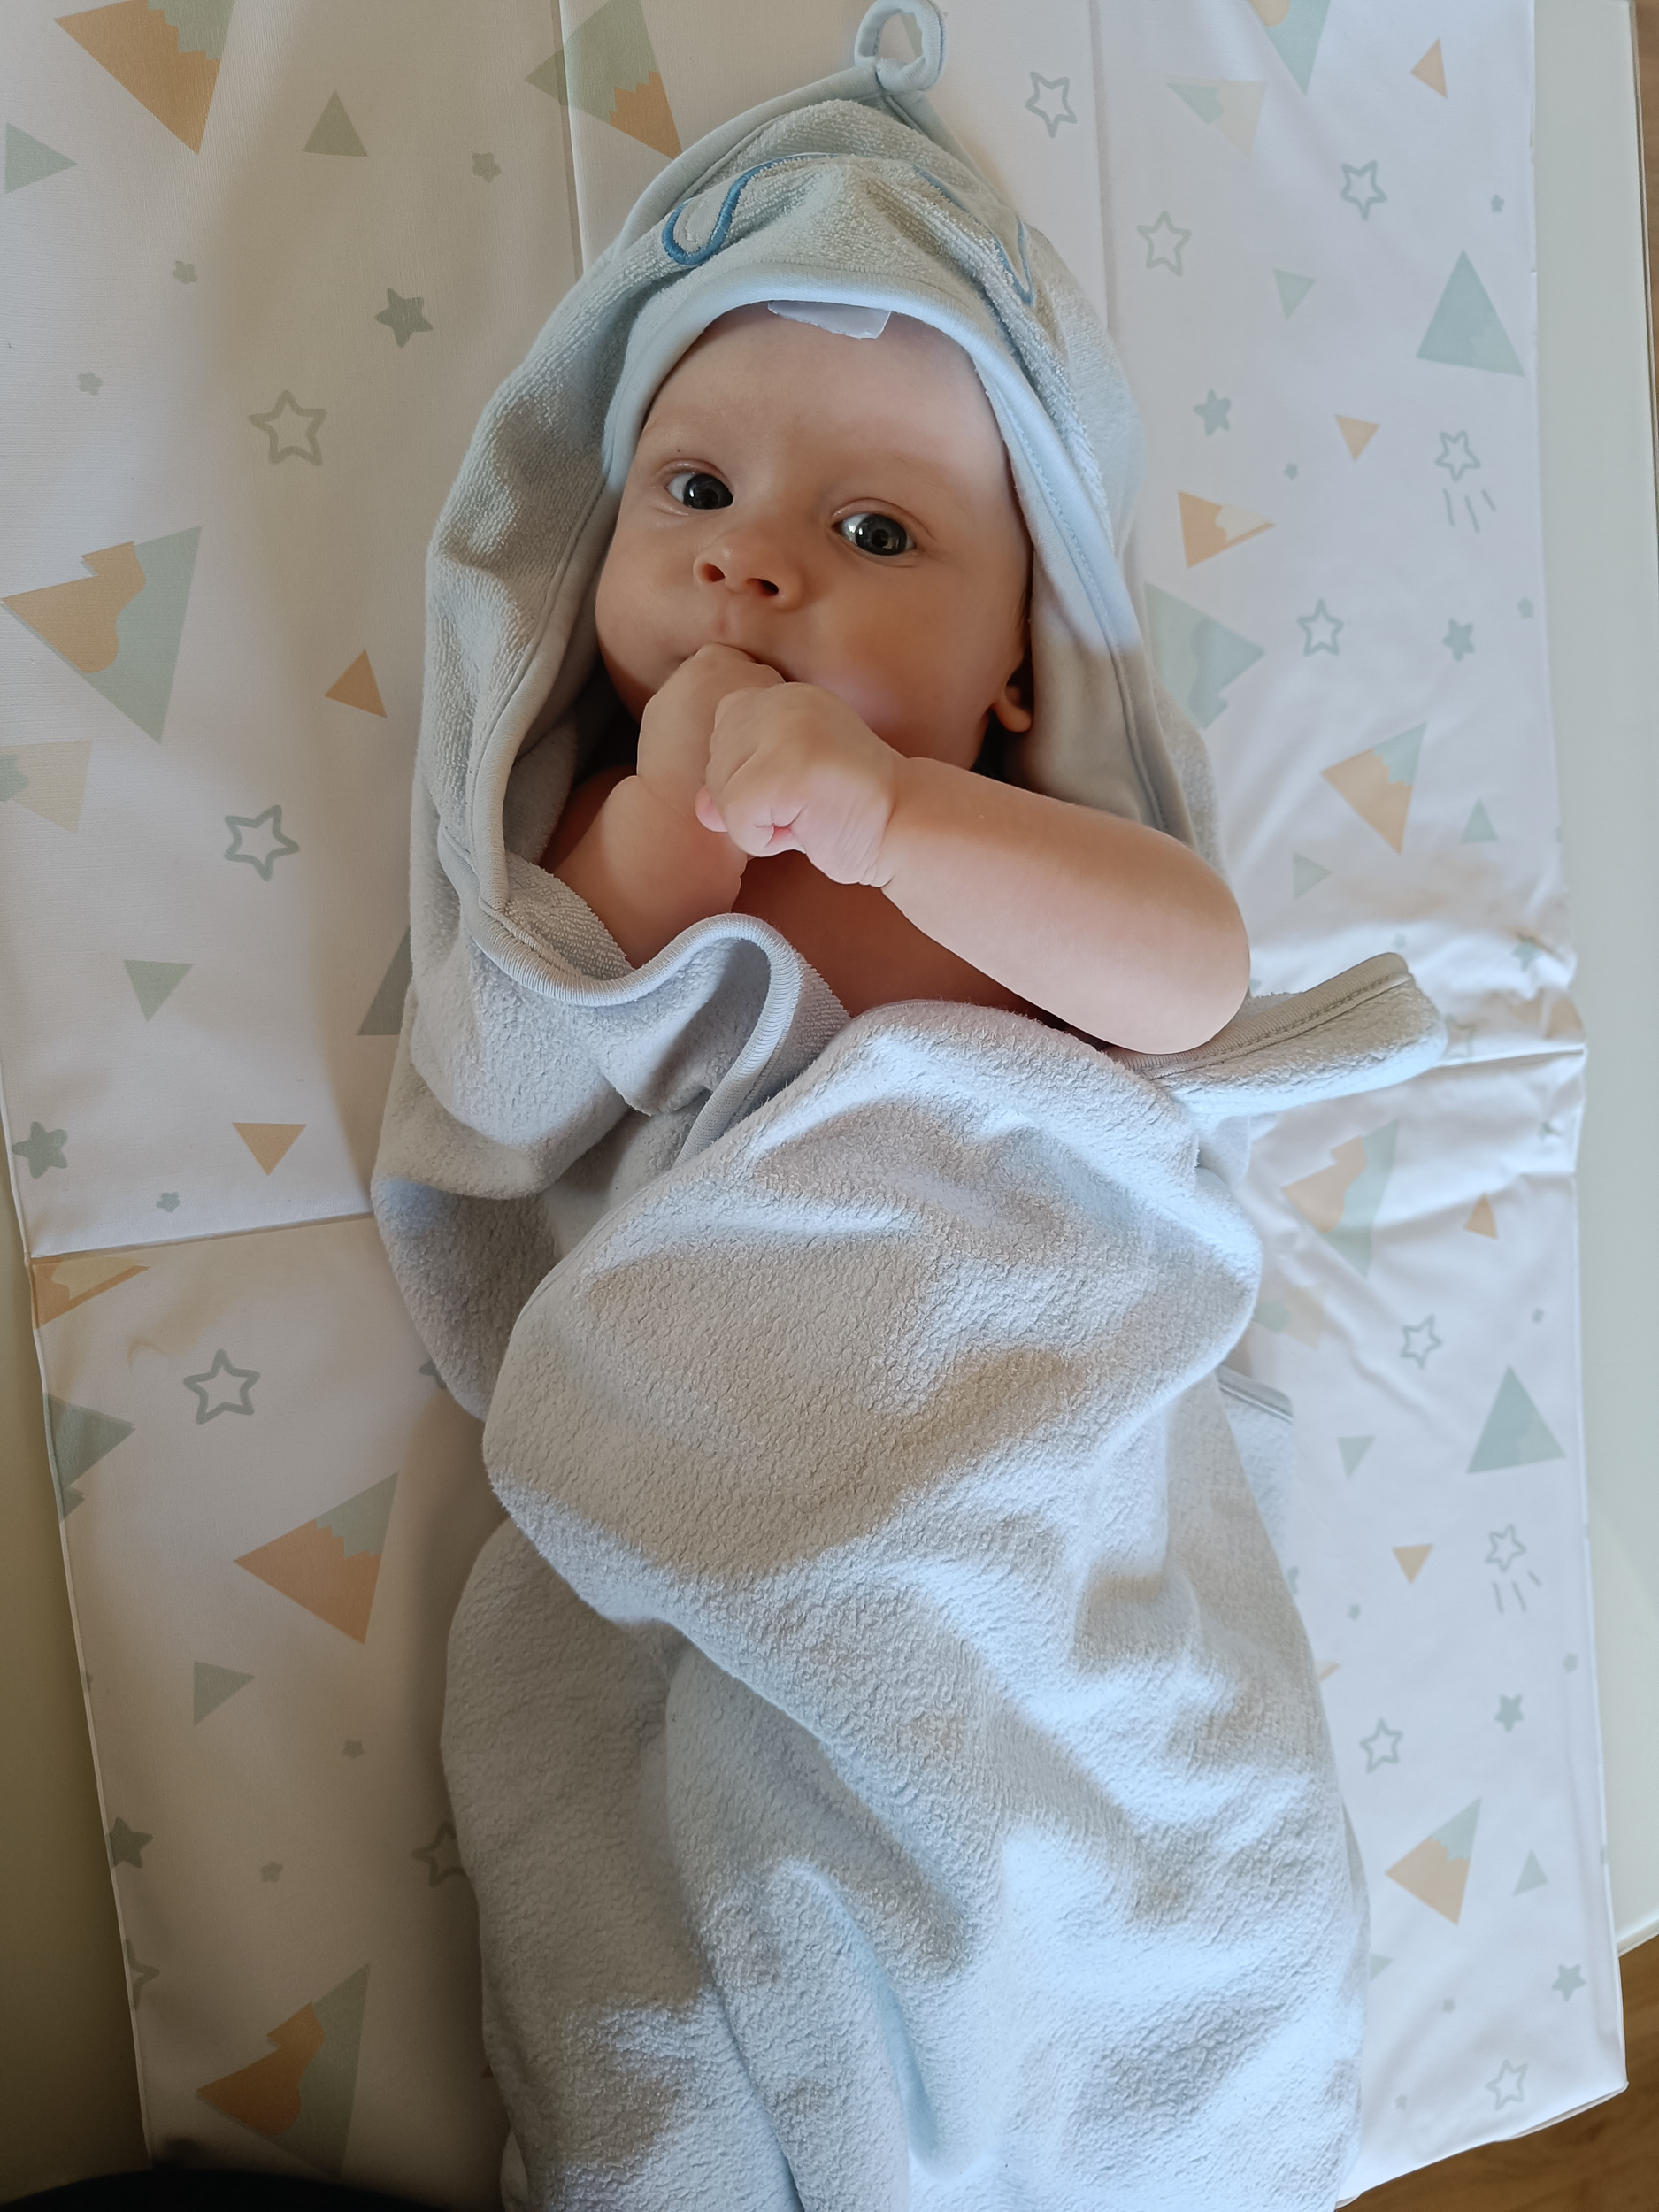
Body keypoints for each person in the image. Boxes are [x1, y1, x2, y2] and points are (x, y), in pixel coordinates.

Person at [544, 302, 1249, 1057]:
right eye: (699, 492)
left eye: (874, 535)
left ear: (1023, 670)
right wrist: (664, 832)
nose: (741, 553)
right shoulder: (584, 829)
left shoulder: (1022, 841)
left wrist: (894, 816)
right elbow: (510, 1077)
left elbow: (1199, 991)